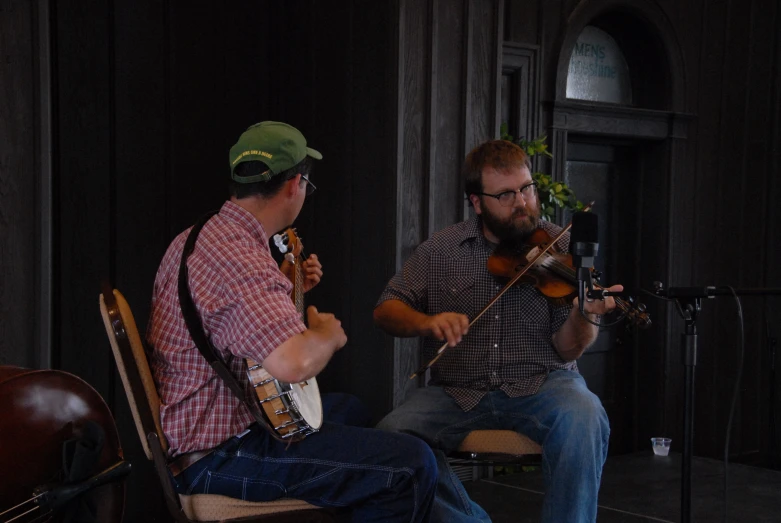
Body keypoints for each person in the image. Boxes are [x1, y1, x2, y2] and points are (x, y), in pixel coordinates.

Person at [147, 121, 437, 522]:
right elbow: (292, 363)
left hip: (200, 431)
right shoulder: (241, 258)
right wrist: (327, 335)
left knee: (349, 409)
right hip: (219, 456)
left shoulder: (202, 235)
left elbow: (224, 316)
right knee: (412, 465)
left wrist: (283, 283)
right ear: (294, 185)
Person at [374, 139, 622, 523]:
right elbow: (386, 308)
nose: (522, 203)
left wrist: (585, 316)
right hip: (457, 391)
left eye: (526, 189)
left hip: (542, 384)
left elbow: (567, 349)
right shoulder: (441, 250)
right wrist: (426, 322)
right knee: (392, 435)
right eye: (505, 195)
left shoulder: (562, 247)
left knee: (585, 414)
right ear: (477, 202)